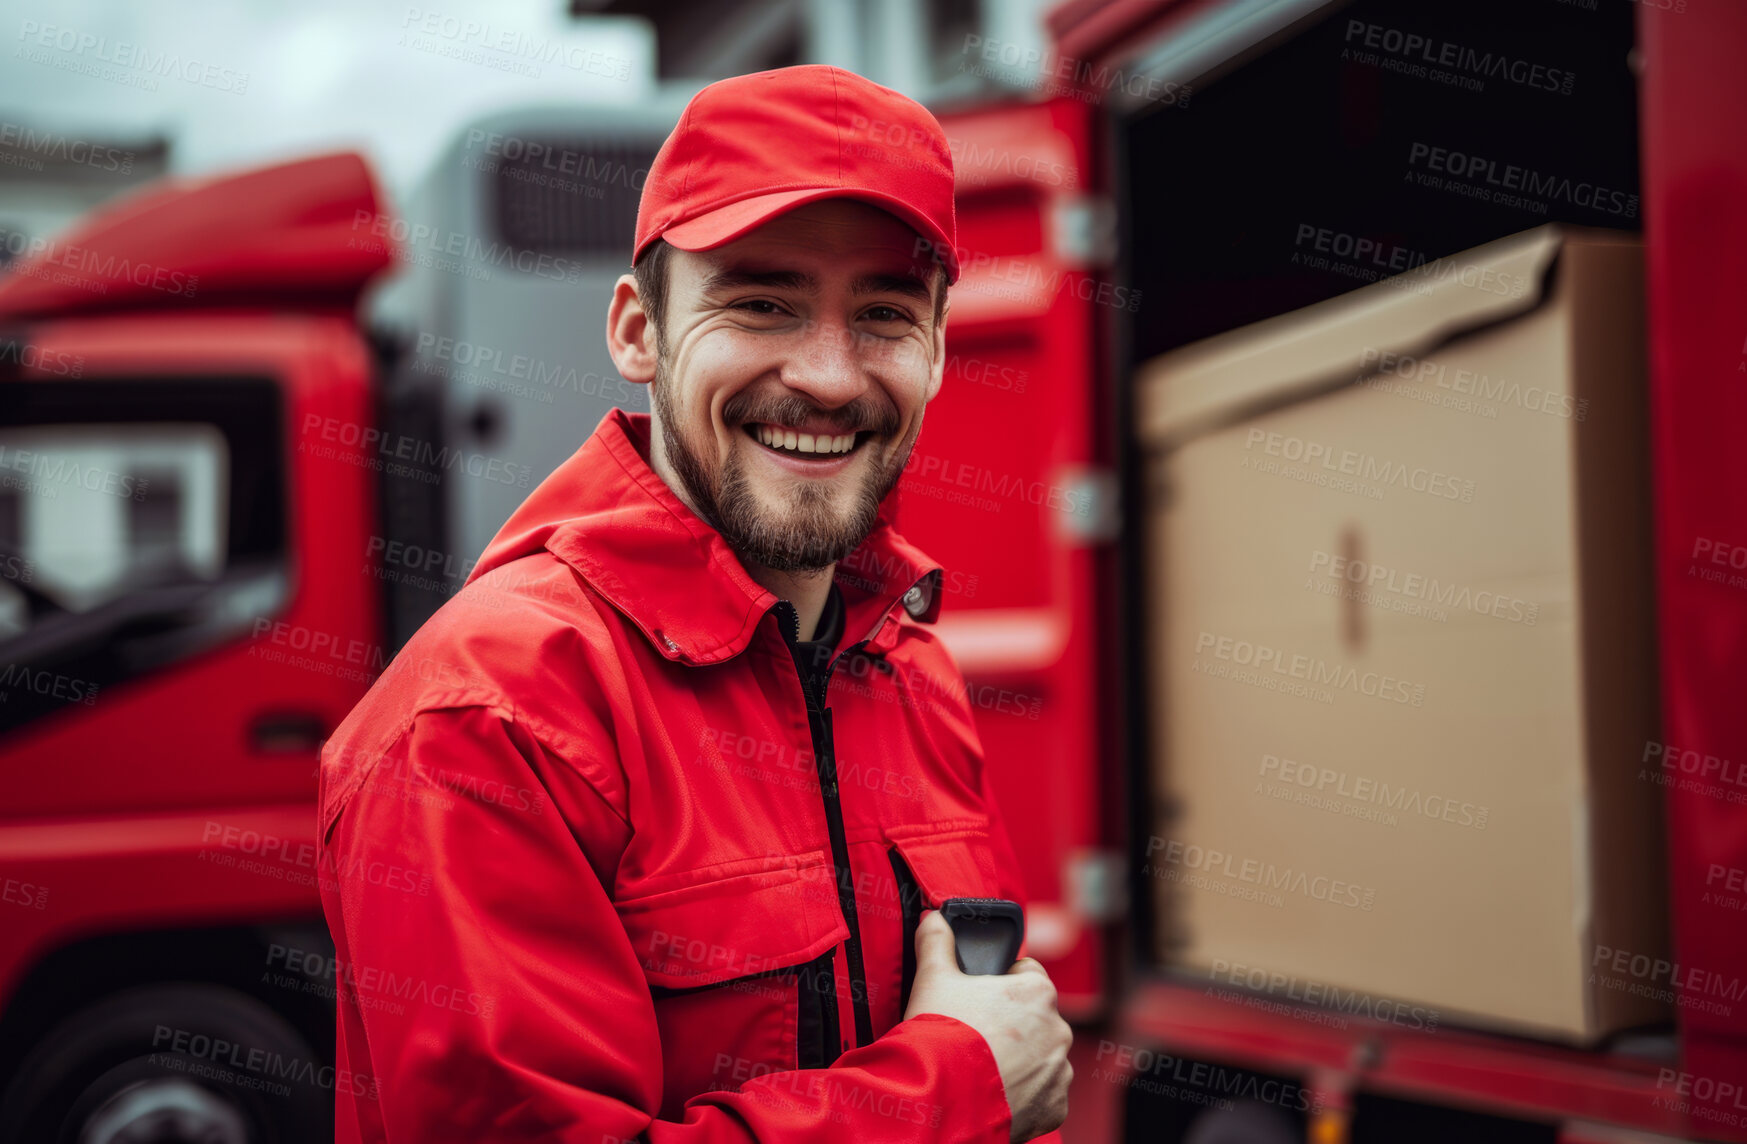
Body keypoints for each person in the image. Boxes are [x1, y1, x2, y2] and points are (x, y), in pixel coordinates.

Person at [316, 64, 1072, 1142]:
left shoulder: (915, 675)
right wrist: (955, 1090)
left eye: (885, 314)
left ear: (940, 351)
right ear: (637, 330)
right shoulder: (488, 720)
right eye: (761, 301)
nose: (825, 374)